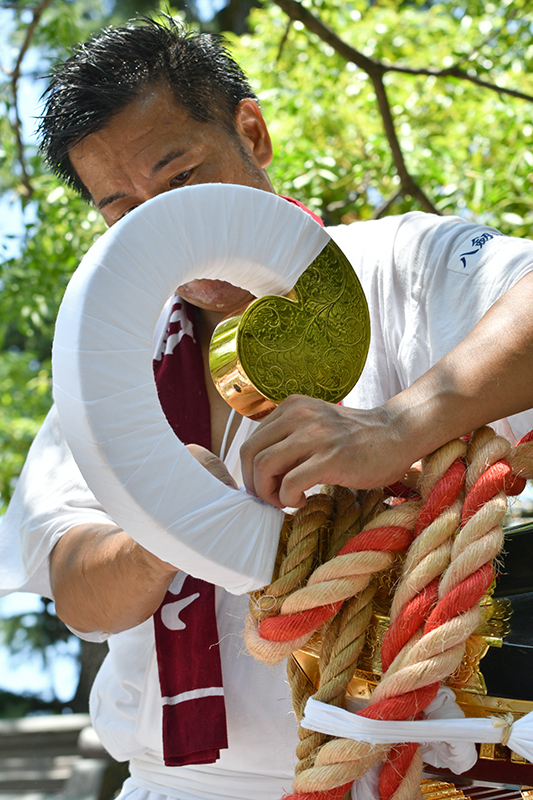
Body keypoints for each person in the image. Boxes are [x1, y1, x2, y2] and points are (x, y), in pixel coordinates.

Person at [1, 14, 533, 800]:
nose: (165, 226)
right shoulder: (114, 356)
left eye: (178, 179)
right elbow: (77, 584)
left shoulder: (398, 264)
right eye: (123, 209)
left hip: (404, 776)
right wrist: (167, 523)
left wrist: (398, 426)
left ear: (251, 131)